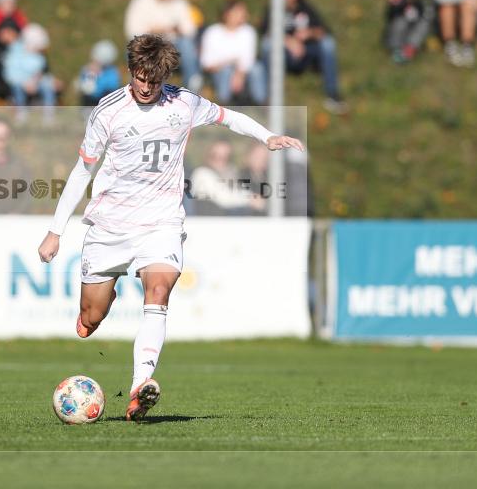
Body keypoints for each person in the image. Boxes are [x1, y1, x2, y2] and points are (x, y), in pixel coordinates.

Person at [36, 34, 304, 421]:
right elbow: (83, 171)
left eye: (154, 81)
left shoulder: (183, 102)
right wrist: (55, 230)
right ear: (131, 71)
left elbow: (228, 116)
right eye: (140, 78)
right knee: (89, 320)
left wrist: (268, 137)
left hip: (161, 222)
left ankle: (139, 386)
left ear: (164, 77)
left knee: (159, 291)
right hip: (110, 225)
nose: (146, 87)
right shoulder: (108, 111)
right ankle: (103, 301)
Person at [263, 0, 347, 114]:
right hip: (284, 54)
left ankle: (332, 94)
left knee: (328, 43)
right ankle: (269, 97)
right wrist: (289, 42)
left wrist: (309, 33)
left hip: (307, 52)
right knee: (267, 46)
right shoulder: (273, 10)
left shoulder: (305, 8)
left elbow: (323, 30)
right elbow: (267, 33)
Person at [124, 0, 202, 93]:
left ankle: (192, 85)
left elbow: (190, 30)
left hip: (173, 44)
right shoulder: (142, 1)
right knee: (137, 50)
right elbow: (133, 31)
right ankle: (139, 88)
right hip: (148, 44)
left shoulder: (180, 3)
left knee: (187, 44)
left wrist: (175, 30)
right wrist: (156, 30)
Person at [200, 0, 266, 106]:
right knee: (226, 71)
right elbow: (206, 62)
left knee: (257, 69)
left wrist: (239, 74)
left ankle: (262, 104)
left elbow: (248, 59)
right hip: (219, 71)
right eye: (239, 11)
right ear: (227, 14)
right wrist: (228, 65)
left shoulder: (248, 31)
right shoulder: (212, 32)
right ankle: (224, 103)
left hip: (243, 71)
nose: (244, 14)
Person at [2, 23, 61, 121]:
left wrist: (37, 81)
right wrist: (24, 82)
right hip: (19, 83)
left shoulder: (40, 57)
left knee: (48, 86)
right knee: (17, 88)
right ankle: (21, 111)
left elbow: (39, 72)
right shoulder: (16, 51)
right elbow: (12, 73)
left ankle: (49, 113)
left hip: (34, 82)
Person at [189, 140, 264, 215]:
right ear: (207, 156)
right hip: (206, 220)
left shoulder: (230, 173)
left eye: (226, 157)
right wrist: (250, 199)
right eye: (215, 156)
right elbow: (224, 198)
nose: (220, 160)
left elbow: (240, 191)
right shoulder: (201, 173)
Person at [383, 0, 434, 64]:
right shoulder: (397, 3)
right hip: (396, 35)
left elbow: (425, 13)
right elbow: (393, 12)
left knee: (423, 24)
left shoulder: (417, 2)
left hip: (412, 32)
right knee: (400, 22)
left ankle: (410, 48)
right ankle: (396, 49)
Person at [76, 40, 123, 107]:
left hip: (104, 105)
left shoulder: (112, 73)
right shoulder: (87, 69)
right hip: (88, 104)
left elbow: (110, 88)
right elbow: (82, 86)